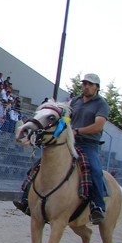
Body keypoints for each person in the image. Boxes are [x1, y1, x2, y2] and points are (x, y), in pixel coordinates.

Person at [14, 73, 110, 225]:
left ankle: (98, 206)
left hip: (88, 144)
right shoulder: (75, 101)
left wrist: (77, 131)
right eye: (84, 83)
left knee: (95, 170)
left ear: (97, 88)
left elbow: (98, 126)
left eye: (90, 84)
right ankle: (25, 198)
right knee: (40, 164)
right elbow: (63, 116)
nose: (86, 86)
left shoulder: (101, 104)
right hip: (69, 141)